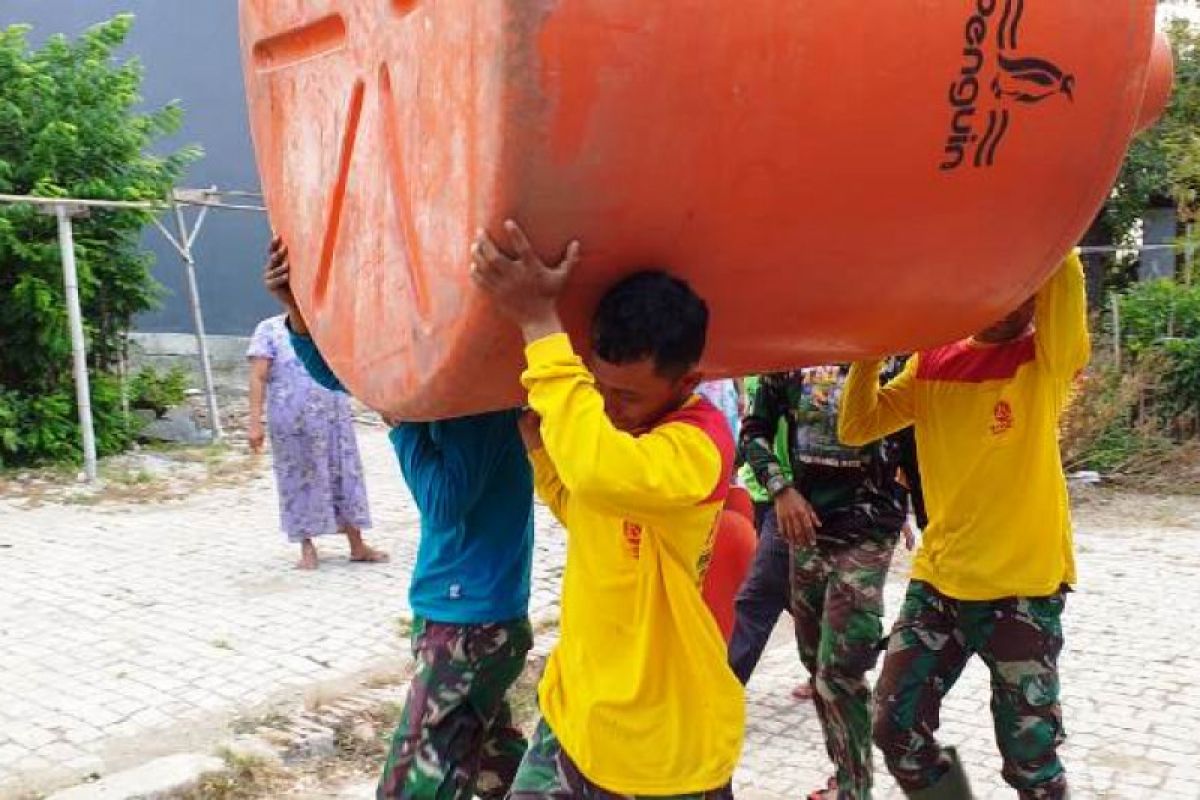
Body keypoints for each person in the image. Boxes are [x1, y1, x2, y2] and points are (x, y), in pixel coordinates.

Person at [470, 220, 744, 799]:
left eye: (628, 397)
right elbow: (588, 509)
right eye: (600, 388)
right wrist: (545, 454)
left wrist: (539, 322)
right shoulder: (619, 447)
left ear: (687, 381)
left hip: (665, 753)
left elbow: (600, 473)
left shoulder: (699, 447)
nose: (611, 410)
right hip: (576, 720)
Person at [262, 237, 536, 800]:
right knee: (488, 769)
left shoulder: (473, 396)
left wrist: (400, 425)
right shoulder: (443, 376)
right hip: (467, 613)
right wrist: (298, 312)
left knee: (411, 784)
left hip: (470, 621)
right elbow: (347, 375)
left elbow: (444, 499)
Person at [839, 252, 1089, 800]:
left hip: (1023, 591)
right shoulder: (931, 361)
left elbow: (1063, 261)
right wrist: (869, 351)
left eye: (1027, 287)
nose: (1014, 300)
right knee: (893, 727)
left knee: (1032, 766)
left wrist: (1040, 227)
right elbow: (858, 426)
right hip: (940, 585)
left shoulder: (1044, 360)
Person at [740, 365, 907, 800]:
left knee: (841, 668)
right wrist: (780, 489)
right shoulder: (797, 349)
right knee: (815, 663)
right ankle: (845, 772)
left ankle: (856, 790)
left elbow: (921, 433)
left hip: (869, 529)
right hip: (806, 528)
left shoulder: (897, 348)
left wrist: (921, 510)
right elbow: (754, 429)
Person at [247, 313, 385, 570]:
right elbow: (258, 376)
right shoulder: (269, 329)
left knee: (345, 474)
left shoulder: (327, 324)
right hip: (291, 421)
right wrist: (255, 421)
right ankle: (307, 547)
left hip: (334, 416)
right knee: (297, 480)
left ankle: (357, 544)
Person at [728, 375, 815, 702]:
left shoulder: (799, 364)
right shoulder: (752, 368)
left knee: (759, 593)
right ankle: (830, 670)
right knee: (790, 591)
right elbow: (753, 425)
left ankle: (721, 693)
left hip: (793, 496)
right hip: (759, 488)